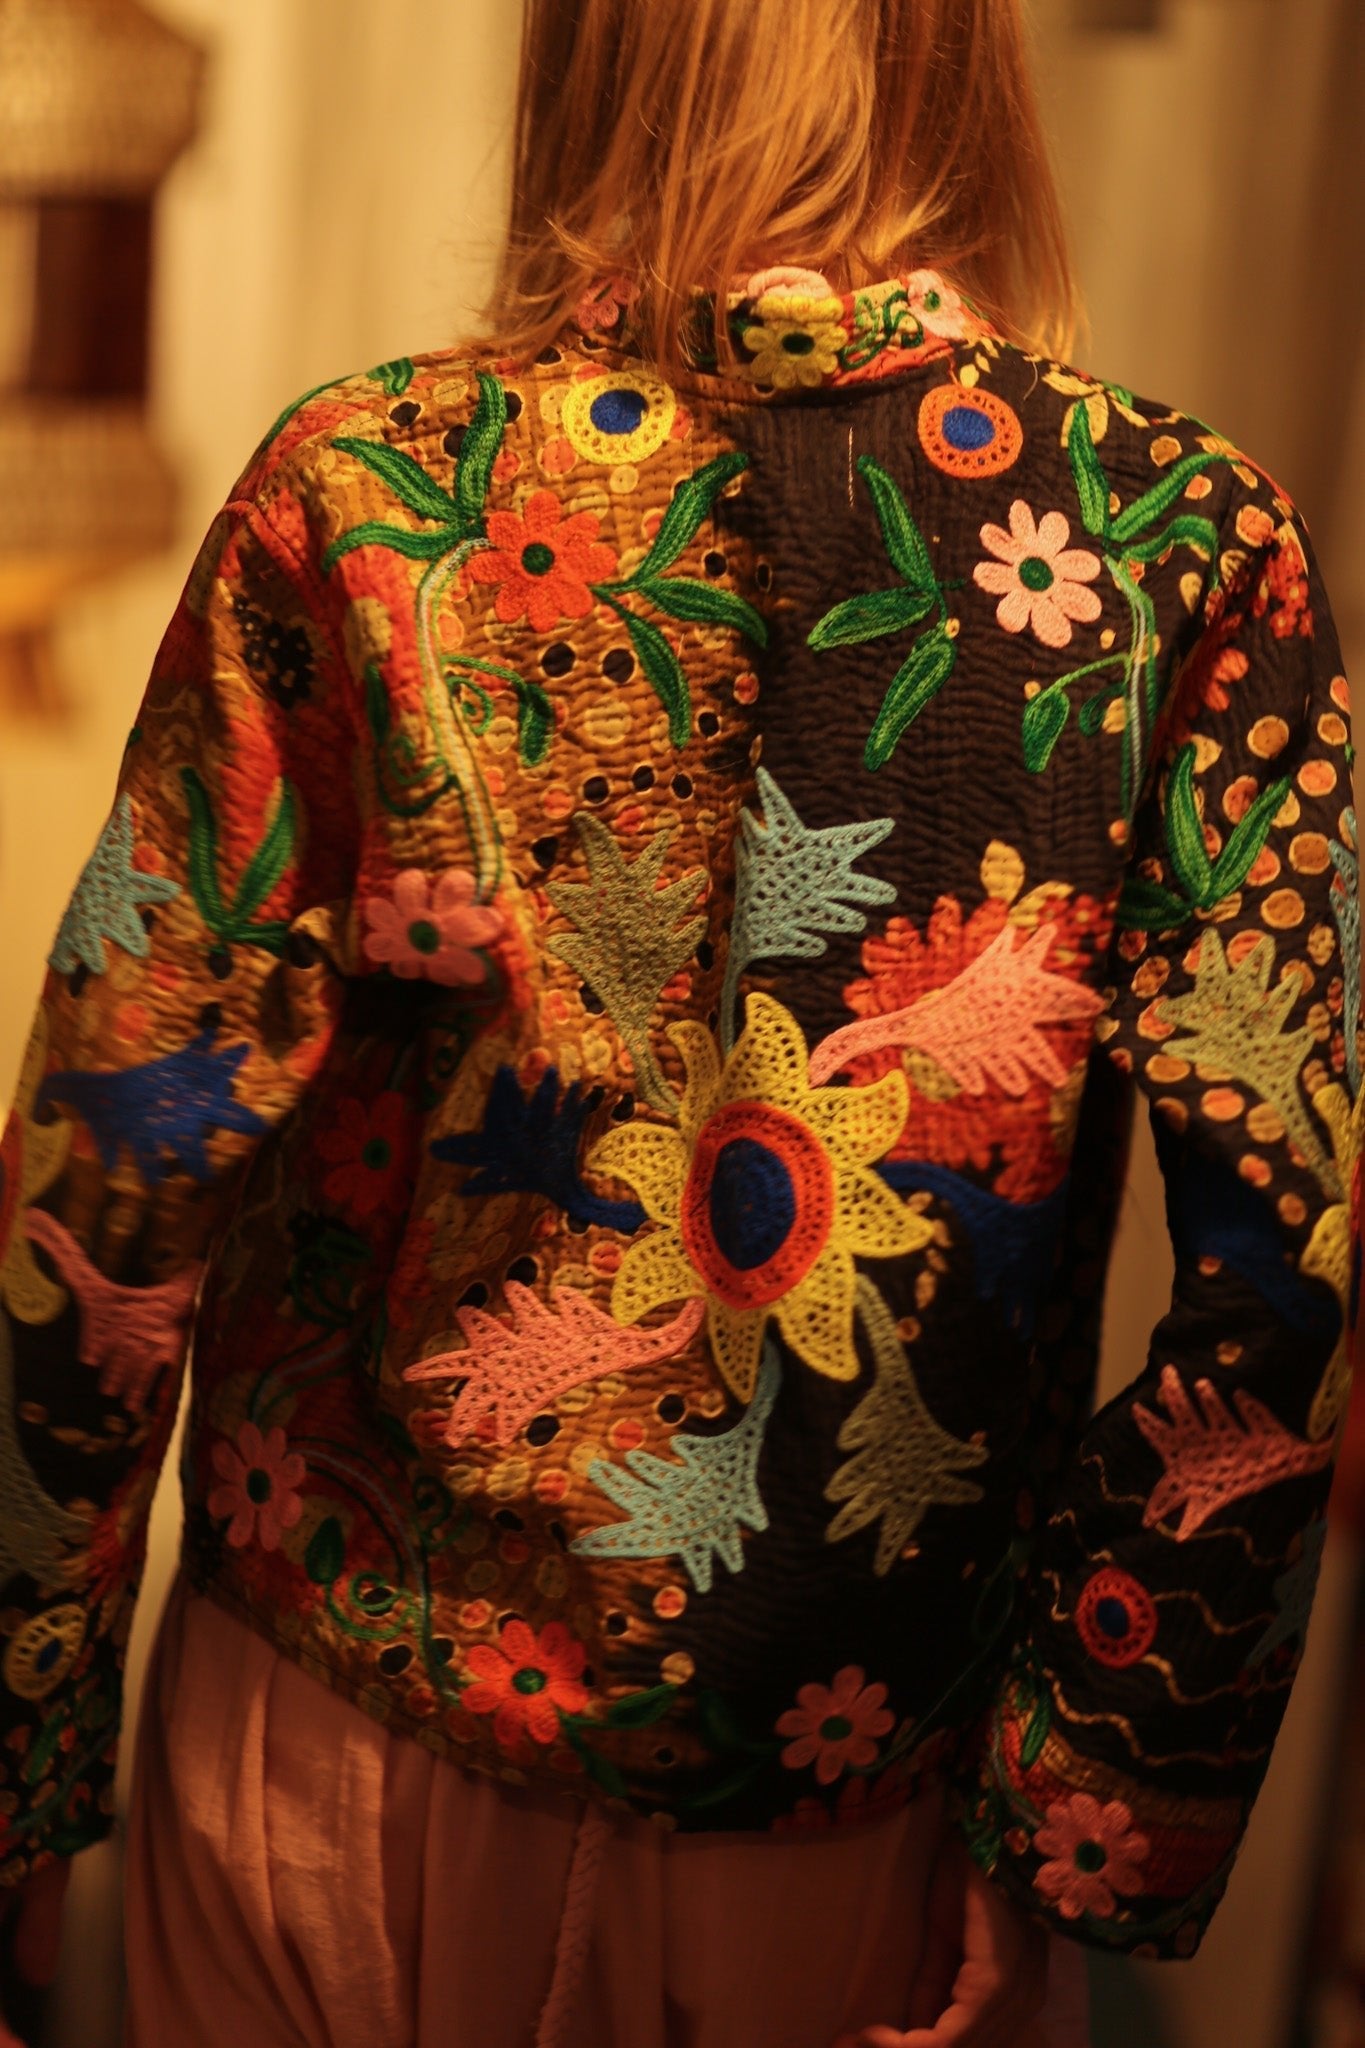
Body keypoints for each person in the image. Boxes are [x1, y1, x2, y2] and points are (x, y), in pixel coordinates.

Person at [0, 0, 1357, 2042]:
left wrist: (21, 1751)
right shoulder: (1177, 539)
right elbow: (1289, 1259)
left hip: (325, 1745)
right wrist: (1086, 1818)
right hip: (846, 1808)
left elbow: (112, 1150)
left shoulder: (363, 489)